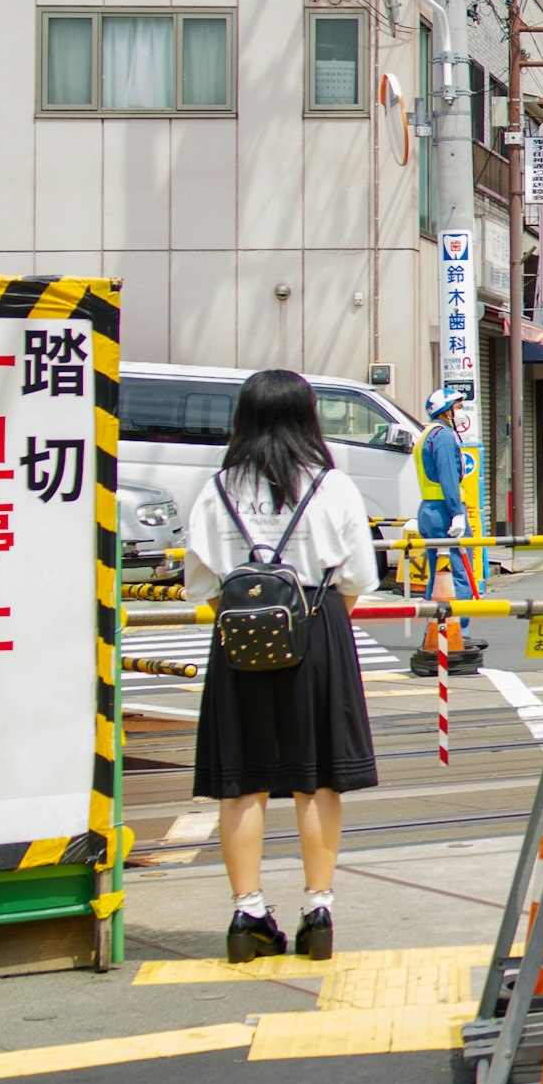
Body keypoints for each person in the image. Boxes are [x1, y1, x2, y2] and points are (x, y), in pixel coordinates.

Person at [183, 370, 382, 963]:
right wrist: (308, 619)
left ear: (243, 419)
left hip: (238, 640)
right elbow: (357, 581)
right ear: (307, 418)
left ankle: (247, 916)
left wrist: (247, 617)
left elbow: (201, 585)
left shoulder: (217, 488)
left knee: (242, 780)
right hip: (318, 631)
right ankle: (317, 910)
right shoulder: (333, 486)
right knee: (316, 776)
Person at [415, 385, 478, 596]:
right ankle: (459, 628)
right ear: (445, 410)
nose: (461, 412)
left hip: (428, 511)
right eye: (457, 407)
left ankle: (435, 628)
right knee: (460, 573)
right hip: (445, 511)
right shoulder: (443, 436)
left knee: (438, 575)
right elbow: (448, 477)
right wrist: (458, 513)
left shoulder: (427, 434)